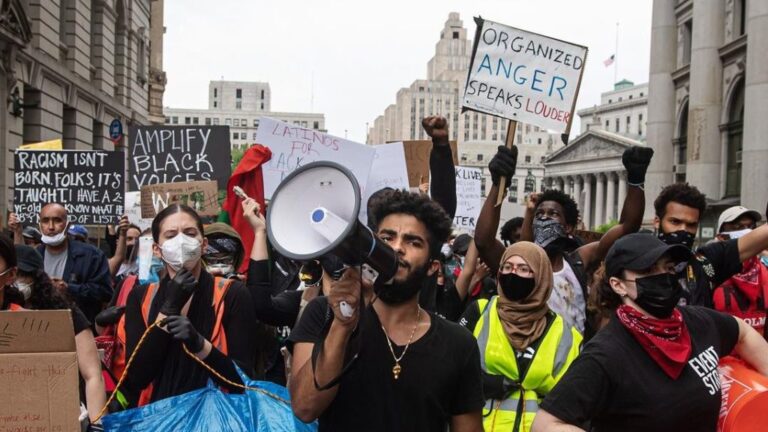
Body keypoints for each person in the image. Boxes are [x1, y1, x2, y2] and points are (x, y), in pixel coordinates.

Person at [289, 189, 484, 431]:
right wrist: (342, 325)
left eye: (413, 242)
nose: (397, 248)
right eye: (387, 238)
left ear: (433, 267)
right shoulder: (324, 312)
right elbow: (305, 408)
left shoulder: (458, 344)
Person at [531, 233, 768, 432]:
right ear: (618, 284)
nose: (663, 277)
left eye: (667, 268)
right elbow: (545, 423)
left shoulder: (699, 322)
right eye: (648, 270)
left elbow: (742, 332)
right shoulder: (607, 354)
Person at [475, 146, 653, 337]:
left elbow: (627, 227)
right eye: (539, 214)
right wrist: (497, 184)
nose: (544, 218)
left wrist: (636, 180)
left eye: (553, 214)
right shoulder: (518, 264)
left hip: (571, 360)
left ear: (568, 227)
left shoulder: (578, 261)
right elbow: (484, 242)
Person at [123, 204, 256, 406]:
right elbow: (137, 377)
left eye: (190, 233)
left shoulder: (233, 294)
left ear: (203, 245)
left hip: (216, 418)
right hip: (159, 418)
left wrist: (200, 345)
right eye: (171, 235)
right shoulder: (141, 298)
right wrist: (169, 307)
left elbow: (243, 380)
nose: (181, 241)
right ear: (157, 250)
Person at [459, 241, 581, 431]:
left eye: (524, 269)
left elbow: (573, 395)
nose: (513, 274)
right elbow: (452, 367)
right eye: (507, 267)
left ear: (541, 277)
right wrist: (484, 382)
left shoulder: (564, 333)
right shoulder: (480, 312)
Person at [13, 244, 106, 429]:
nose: (17, 281)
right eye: (12, 275)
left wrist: (97, 424)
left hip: (60, 413)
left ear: (37, 278)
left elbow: (92, 374)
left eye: (23, 275)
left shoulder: (66, 314)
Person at [652, 183, 768, 308]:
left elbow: (759, 238)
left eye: (691, 225)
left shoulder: (706, 261)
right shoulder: (639, 259)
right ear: (657, 222)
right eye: (675, 222)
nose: (683, 230)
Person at [15, 205, 112, 323]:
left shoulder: (92, 256)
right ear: (39, 225)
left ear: (67, 225)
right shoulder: (33, 257)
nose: (51, 227)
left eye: (57, 220)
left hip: (77, 329)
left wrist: (69, 288)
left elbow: (105, 293)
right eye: (45, 221)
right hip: (38, 326)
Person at [710, 206, 767, 334]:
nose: (747, 232)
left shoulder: (765, 272)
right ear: (721, 237)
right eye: (738, 227)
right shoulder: (708, 274)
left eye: (751, 226)